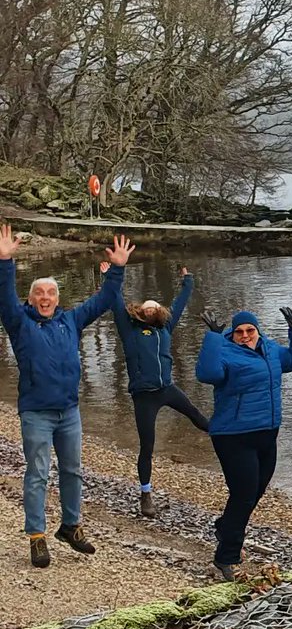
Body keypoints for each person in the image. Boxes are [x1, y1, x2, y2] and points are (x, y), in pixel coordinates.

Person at [0, 227, 134, 568]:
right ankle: (37, 536)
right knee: (38, 473)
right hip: (36, 413)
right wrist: (5, 260)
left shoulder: (71, 320)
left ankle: (70, 527)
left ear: (58, 299)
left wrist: (117, 269)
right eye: (39, 294)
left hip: (69, 412)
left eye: (50, 293)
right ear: (30, 300)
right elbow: (3, 297)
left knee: (73, 471)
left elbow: (104, 301)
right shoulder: (19, 323)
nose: (45, 298)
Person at [196, 305, 292, 580]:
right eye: (239, 332)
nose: (245, 335)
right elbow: (207, 374)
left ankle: (225, 526)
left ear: (258, 331)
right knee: (244, 494)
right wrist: (212, 337)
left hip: (267, 434)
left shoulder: (271, 350)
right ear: (232, 334)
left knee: (256, 489)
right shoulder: (224, 352)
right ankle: (226, 556)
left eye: (250, 330)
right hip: (233, 436)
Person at [108, 262, 209, 518]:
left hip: (167, 388)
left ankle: (228, 437)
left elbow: (182, 300)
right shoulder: (129, 330)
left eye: (155, 307)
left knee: (197, 416)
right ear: (140, 312)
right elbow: (115, 300)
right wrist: (109, 275)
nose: (151, 309)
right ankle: (145, 494)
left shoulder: (165, 327)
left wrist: (188, 280)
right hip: (144, 397)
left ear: (160, 312)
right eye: (147, 307)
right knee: (147, 446)